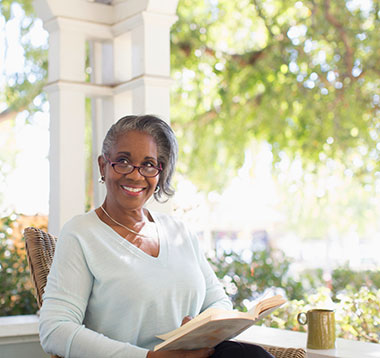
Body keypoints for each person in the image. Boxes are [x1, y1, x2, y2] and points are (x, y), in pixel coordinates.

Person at [39, 115, 273, 358]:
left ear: (159, 173)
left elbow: (219, 303)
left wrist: (196, 330)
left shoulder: (179, 232)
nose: (135, 175)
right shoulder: (81, 233)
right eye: (123, 161)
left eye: (149, 164)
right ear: (102, 165)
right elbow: (55, 330)